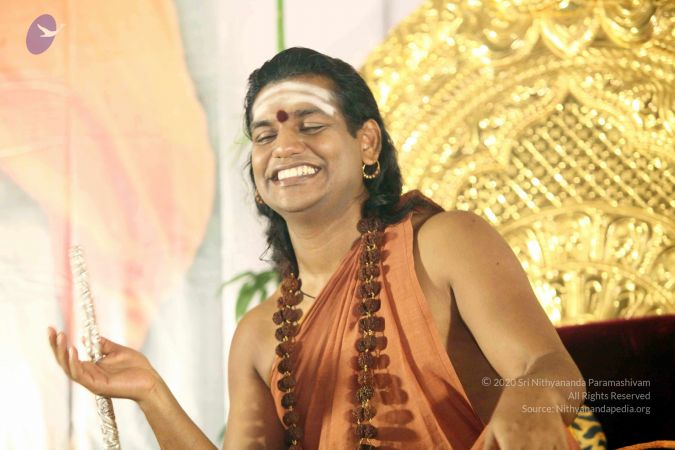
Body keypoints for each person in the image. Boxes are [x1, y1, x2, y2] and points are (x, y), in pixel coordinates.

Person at [49, 47, 585, 449]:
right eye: (265, 137)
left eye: (310, 125)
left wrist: (529, 398)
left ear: (366, 143)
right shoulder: (260, 334)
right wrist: (152, 393)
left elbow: (555, 371)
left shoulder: (444, 244)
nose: (285, 147)